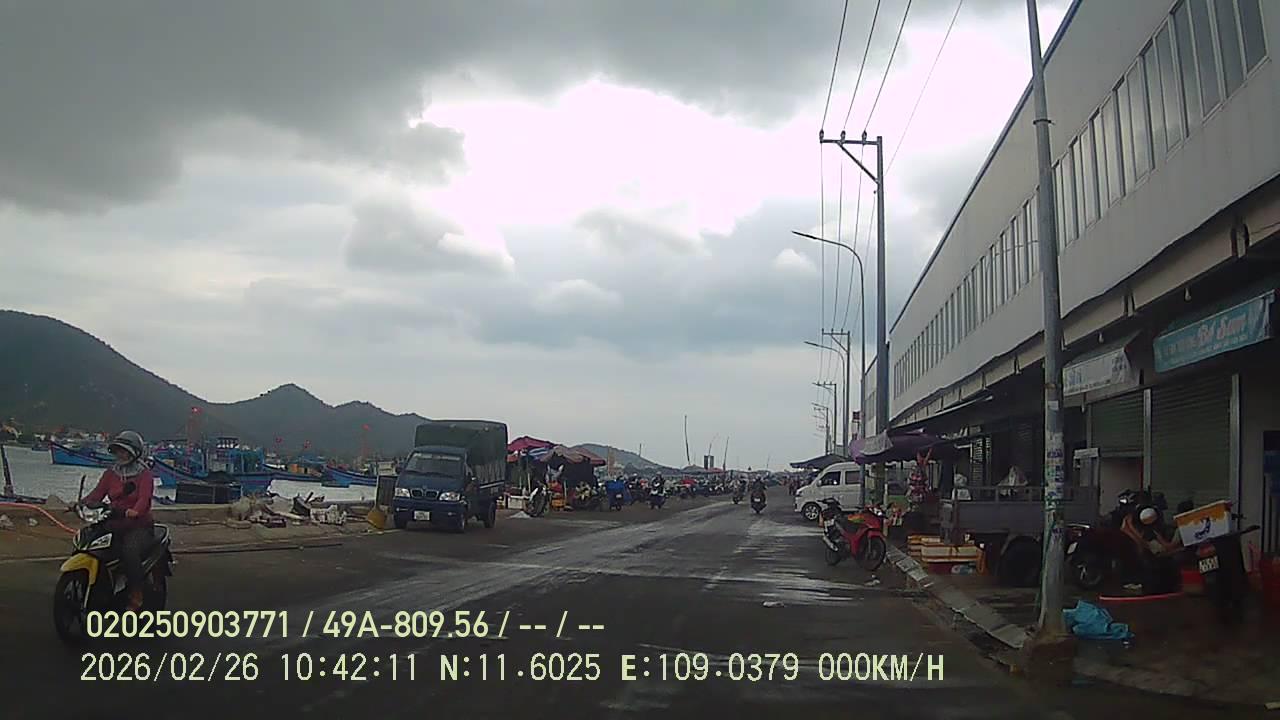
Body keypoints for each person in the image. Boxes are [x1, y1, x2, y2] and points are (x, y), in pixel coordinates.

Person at [77, 430, 155, 611]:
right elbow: (97, 494)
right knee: (87, 540)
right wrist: (80, 503)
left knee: (129, 550)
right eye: (118, 450)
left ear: (134, 453)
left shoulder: (144, 474)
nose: (121, 454)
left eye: (124, 451)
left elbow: (145, 499)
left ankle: (136, 592)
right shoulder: (111, 473)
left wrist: (135, 511)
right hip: (113, 521)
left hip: (138, 526)